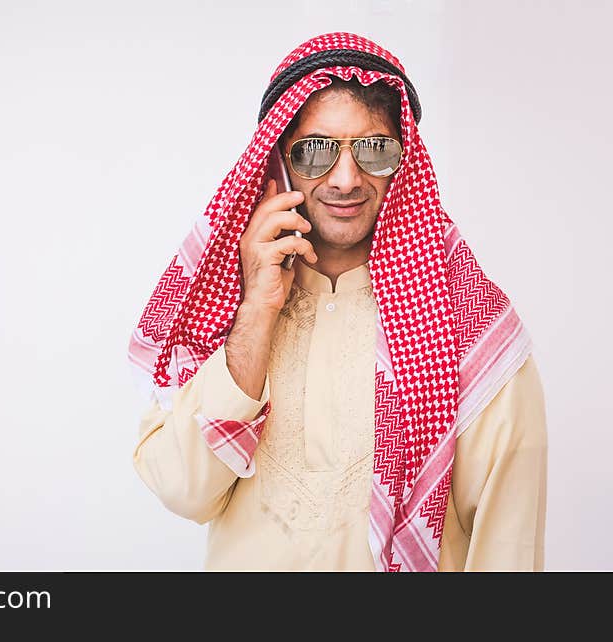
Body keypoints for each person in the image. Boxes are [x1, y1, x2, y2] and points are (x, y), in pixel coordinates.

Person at [127, 33, 547, 571]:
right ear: (279, 159)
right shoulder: (224, 308)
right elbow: (182, 491)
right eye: (316, 150)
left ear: (403, 161)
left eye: (374, 149)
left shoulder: (472, 333)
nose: (346, 179)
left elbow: (508, 554)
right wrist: (256, 310)